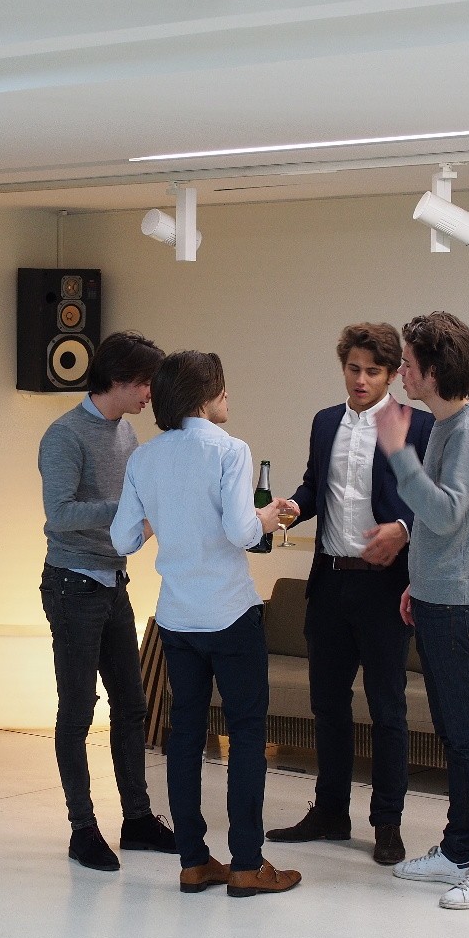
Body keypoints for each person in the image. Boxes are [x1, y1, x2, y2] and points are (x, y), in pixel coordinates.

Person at [111, 351, 299, 897]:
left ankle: (193, 861)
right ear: (206, 396)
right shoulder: (229, 450)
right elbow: (242, 532)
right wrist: (269, 518)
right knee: (246, 734)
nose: (228, 396)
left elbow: (123, 539)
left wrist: (168, 518)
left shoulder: (145, 458)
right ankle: (246, 864)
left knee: (186, 735)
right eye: (223, 387)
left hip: (177, 618)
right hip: (230, 614)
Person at [265, 323, 432, 867]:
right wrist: (294, 506)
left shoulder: (417, 425)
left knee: (387, 708)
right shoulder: (324, 422)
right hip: (330, 581)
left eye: (373, 371)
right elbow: (316, 486)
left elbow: (432, 502)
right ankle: (331, 811)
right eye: (353, 369)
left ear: (392, 375)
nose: (361, 379)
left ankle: (388, 822)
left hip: (385, 586)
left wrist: (402, 529)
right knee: (328, 705)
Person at [376, 311, 469, 910]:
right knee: (454, 736)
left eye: (407, 364)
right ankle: (460, 848)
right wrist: (419, 581)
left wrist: (398, 453)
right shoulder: (445, 426)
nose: (400, 373)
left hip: (460, 609)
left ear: (433, 371)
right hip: (439, 599)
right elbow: (441, 528)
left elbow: (444, 512)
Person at [38, 330, 177, 871]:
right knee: (77, 711)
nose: (150, 394)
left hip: (113, 580)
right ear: (119, 380)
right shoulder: (64, 435)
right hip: (73, 583)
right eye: (145, 383)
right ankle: (83, 828)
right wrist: (126, 508)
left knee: (132, 704)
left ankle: (137, 819)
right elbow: (60, 515)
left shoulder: (127, 431)